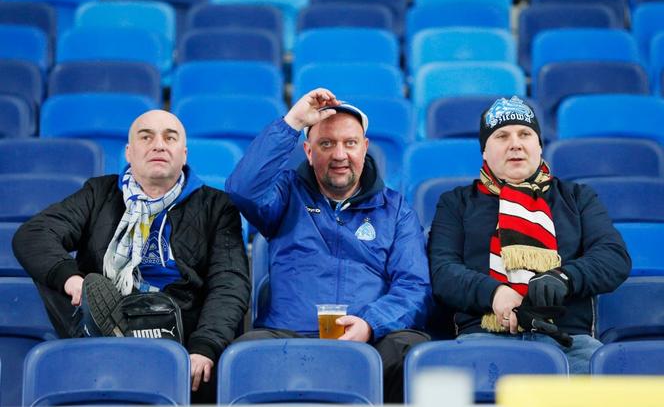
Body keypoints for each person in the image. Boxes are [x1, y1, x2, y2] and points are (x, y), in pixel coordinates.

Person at [13, 109, 251, 402]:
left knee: (214, 296)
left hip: (178, 328)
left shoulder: (216, 206)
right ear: (129, 151)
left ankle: (116, 340)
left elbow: (230, 282)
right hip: (107, 308)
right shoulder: (99, 192)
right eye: (146, 136)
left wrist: (205, 346)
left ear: (184, 153)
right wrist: (71, 280)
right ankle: (105, 331)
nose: (159, 145)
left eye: (170, 137)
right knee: (51, 270)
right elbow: (33, 234)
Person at [225, 88, 431, 403]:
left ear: (365, 148)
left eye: (350, 143)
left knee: (412, 349)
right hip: (289, 338)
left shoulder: (395, 209)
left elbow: (414, 287)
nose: (339, 155)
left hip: (369, 341)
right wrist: (292, 122)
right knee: (249, 350)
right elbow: (242, 189)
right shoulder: (285, 193)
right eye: (326, 144)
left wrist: (370, 324)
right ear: (308, 151)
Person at [428, 96, 631, 373]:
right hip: (484, 340)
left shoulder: (577, 197)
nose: (515, 144)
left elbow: (613, 258)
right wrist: (495, 293)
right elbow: (443, 271)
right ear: (484, 151)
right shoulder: (456, 203)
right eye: (501, 136)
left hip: (568, 342)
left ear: (539, 145)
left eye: (525, 134)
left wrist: (564, 277)